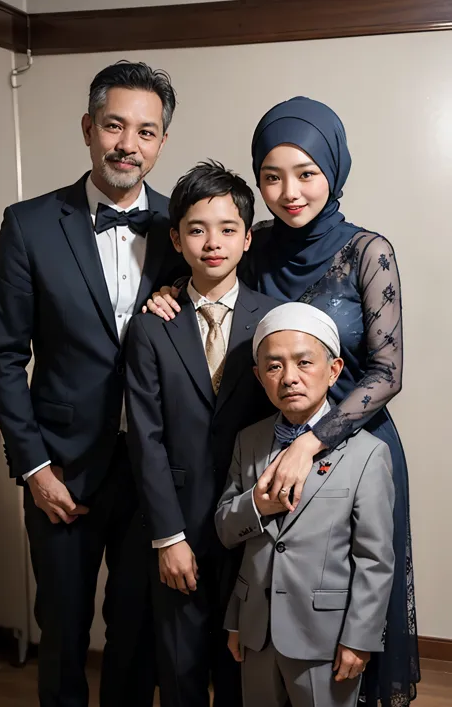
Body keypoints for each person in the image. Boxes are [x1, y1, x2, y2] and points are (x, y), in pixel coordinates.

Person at [147, 96, 419, 706]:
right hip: (259, 440)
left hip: (354, 446)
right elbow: (209, 274)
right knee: (261, 600)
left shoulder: (368, 252)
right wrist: (168, 293)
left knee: (350, 608)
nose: (289, 191)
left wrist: (313, 446)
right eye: (271, 176)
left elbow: (388, 370)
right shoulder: (253, 239)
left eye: (306, 172)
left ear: (334, 169)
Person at [0, 61, 187, 707]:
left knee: (135, 632)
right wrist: (33, 465)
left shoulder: (185, 229)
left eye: (146, 131)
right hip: (61, 471)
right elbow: (1, 355)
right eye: (115, 125)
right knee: (64, 632)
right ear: (88, 128)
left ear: (161, 141)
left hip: (152, 470)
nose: (129, 143)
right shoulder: (29, 225)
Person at [125, 161, 280, 707]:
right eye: (196, 229)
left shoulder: (273, 320)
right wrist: (168, 537)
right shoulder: (150, 325)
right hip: (179, 526)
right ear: (176, 238)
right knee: (182, 668)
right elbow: (145, 436)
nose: (212, 242)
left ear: (246, 238)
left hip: (253, 522)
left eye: (228, 228)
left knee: (242, 669)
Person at [215, 302, 395, 707]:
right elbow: (226, 529)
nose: (290, 377)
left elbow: (374, 559)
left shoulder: (367, 454)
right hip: (256, 630)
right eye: (274, 366)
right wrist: (257, 507)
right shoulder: (250, 441)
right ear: (260, 377)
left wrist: (359, 639)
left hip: (326, 639)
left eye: (304, 362)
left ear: (333, 371)